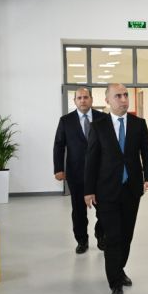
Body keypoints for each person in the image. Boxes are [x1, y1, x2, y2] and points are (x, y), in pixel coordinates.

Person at [84, 83, 148, 294]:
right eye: (118, 96)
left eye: (126, 95)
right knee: (113, 237)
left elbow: (147, 153)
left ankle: (119, 269)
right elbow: (91, 159)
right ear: (107, 100)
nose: (124, 99)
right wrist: (88, 190)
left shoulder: (138, 124)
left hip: (131, 190)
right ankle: (115, 283)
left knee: (126, 236)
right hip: (106, 191)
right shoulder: (98, 126)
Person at [54, 88, 107, 254]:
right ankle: (82, 240)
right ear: (75, 101)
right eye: (79, 98)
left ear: (91, 99)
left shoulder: (103, 118)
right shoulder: (66, 120)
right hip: (76, 173)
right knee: (78, 211)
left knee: (104, 209)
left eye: (85, 97)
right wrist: (58, 168)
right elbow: (59, 145)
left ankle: (101, 236)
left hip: (100, 174)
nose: (83, 100)